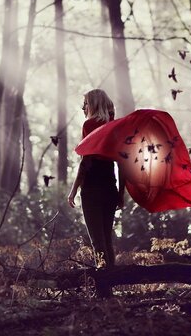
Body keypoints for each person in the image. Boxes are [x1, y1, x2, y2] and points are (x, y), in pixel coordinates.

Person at [67, 89, 125, 269]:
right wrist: (121, 194)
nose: (83, 108)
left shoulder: (89, 125)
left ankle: (104, 290)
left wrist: (74, 190)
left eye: (85, 104)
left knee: (97, 243)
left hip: (92, 184)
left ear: (93, 104)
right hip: (110, 184)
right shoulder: (116, 127)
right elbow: (123, 165)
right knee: (107, 239)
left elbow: (86, 161)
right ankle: (110, 287)